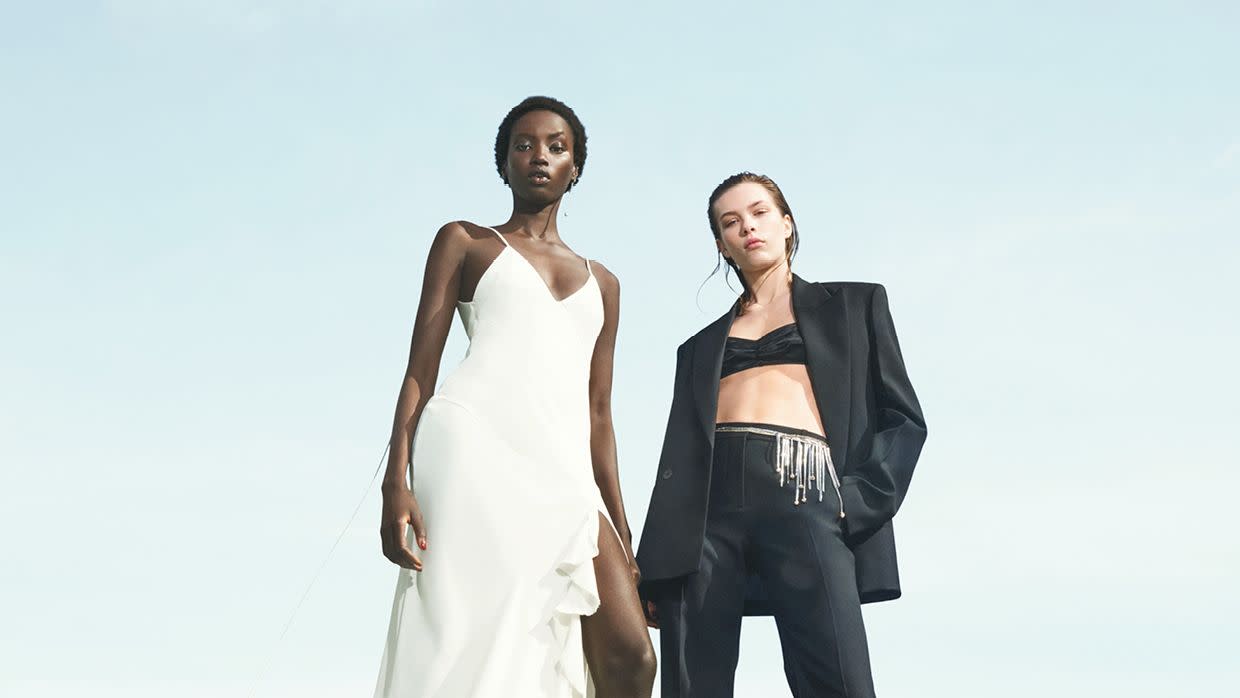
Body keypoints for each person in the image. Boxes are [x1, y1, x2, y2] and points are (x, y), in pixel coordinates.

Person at [374, 96, 655, 698]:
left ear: (575, 168)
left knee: (632, 657)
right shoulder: (465, 242)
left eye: (557, 147)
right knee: (482, 636)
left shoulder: (605, 283)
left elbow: (600, 415)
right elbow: (419, 371)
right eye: (523, 146)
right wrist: (395, 482)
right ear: (502, 164)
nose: (539, 157)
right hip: (474, 450)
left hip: (566, 469)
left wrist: (624, 535)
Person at [635, 172, 927, 697]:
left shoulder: (855, 305)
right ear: (722, 245)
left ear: (787, 223)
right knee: (691, 681)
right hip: (705, 513)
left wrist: (855, 501)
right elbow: (675, 457)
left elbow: (903, 419)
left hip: (807, 492)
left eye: (759, 212)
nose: (747, 227)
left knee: (837, 678)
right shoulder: (698, 348)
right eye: (731, 222)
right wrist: (655, 565)